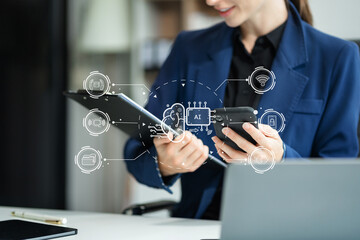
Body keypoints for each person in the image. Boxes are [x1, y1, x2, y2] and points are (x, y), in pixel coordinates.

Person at [124, 0, 360, 220]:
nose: (210, 1)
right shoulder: (189, 48)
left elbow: (338, 183)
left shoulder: (337, 57)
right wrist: (165, 163)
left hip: (287, 226)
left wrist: (281, 160)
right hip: (196, 227)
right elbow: (136, 152)